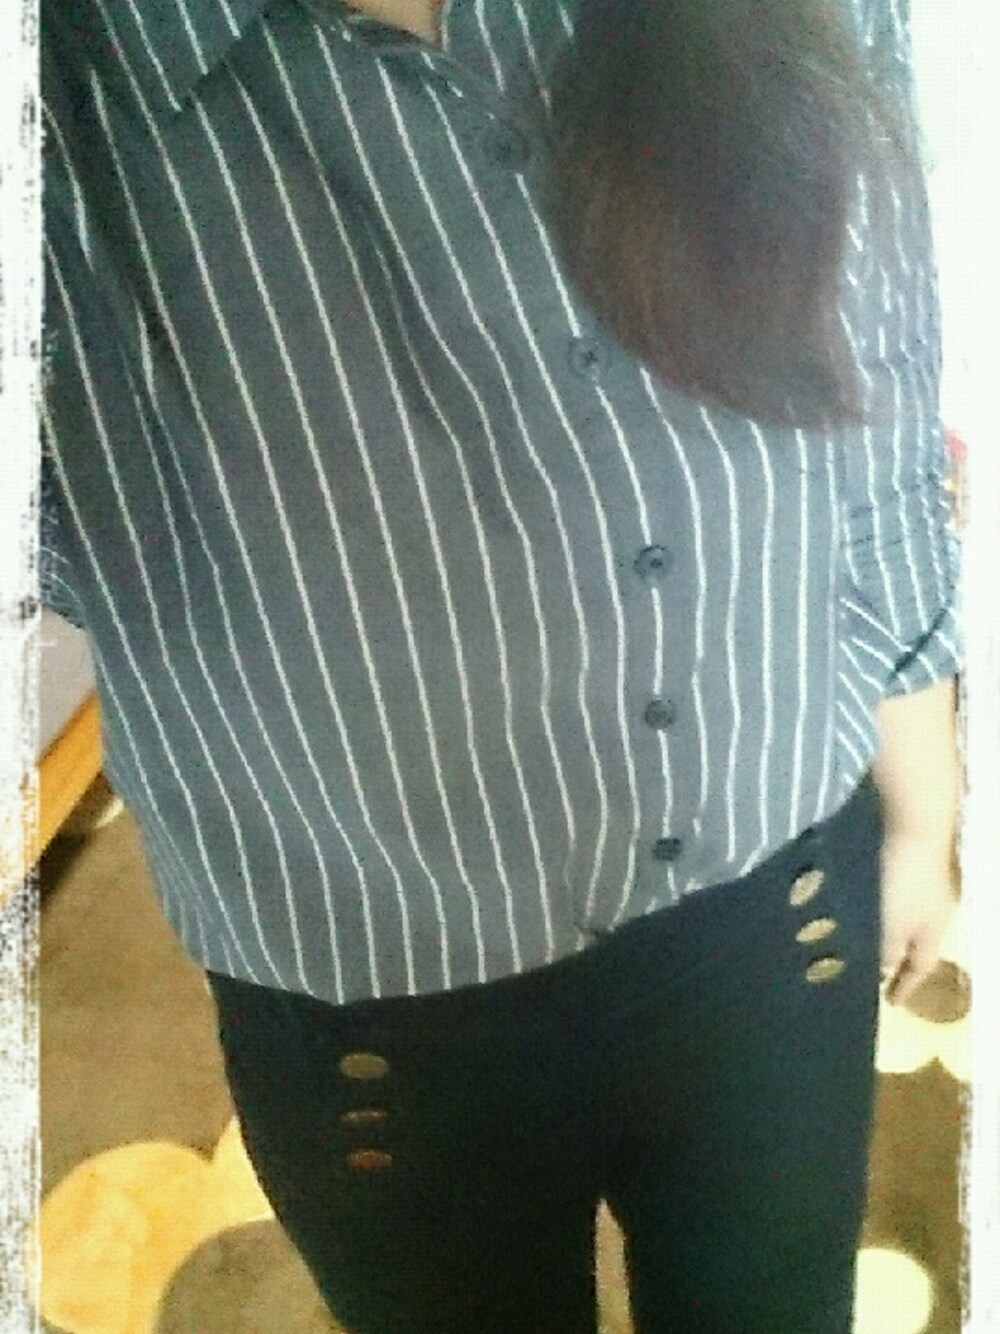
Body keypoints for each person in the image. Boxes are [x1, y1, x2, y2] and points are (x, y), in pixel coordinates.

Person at [39, 0, 962, 1328]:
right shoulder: (73, 103)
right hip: (372, 1007)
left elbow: (876, 380)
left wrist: (923, 800)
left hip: (782, 889)